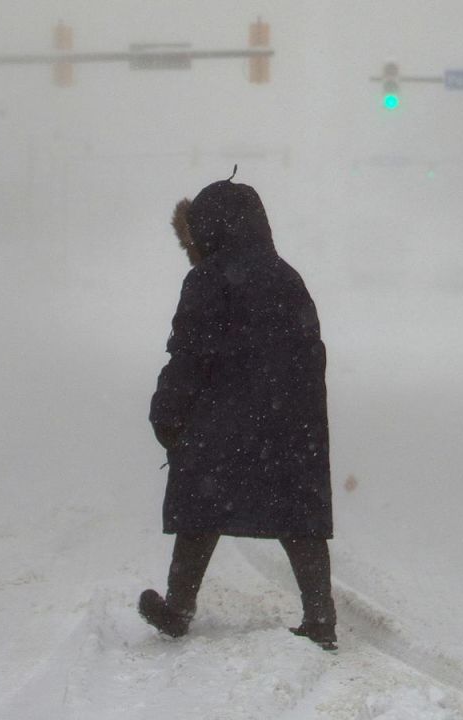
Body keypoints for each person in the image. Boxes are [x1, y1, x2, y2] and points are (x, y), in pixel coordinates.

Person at [141, 173, 337, 651]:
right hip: (287, 422)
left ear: (211, 228)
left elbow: (187, 354)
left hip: (221, 423)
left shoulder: (207, 280)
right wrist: (300, 413)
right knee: (297, 516)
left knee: (200, 508)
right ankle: (320, 617)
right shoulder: (288, 277)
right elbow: (313, 353)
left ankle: (178, 607)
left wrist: (167, 412)